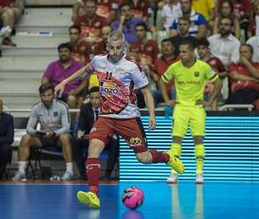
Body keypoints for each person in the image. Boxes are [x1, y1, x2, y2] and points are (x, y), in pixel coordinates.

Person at [55, 31, 184, 208]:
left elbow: (146, 91)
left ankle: (168, 157)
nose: (115, 52)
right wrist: (64, 82)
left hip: (129, 118)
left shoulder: (131, 66)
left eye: (118, 48)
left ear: (123, 47)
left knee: (144, 157)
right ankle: (93, 194)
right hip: (106, 117)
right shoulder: (99, 60)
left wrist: (152, 114)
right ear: (107, 47)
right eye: (111, 48)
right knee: (94, 148)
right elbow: (84, 71)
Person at [158, 39, 222, 184]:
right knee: (176, 140)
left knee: (198, 139)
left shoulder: (203, 67)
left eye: (184, 51)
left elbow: (218, 82)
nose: (181, 54)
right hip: (180, 108)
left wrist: (209, 101)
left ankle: (199, 173)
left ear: (193, 52)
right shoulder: (175, 67)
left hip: (196, 108)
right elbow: (162, 81)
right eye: (180, 51)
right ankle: (174, 172)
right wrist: (167, 99)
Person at [12, 83, 74, 181]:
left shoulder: (62, 106)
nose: (46, 98)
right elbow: (29, 128)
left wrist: (54, 133)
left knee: (65, 137)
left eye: (49, 95)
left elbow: (67, 127)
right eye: (43, 96)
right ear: (40, 95)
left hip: (58, 137)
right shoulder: (36, 108)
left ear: (53, 94)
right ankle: (21, 172)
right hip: (43, 137)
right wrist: (37, 133)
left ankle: (69, 171)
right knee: (25, 138)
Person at [74, 87, 119, 180]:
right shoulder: (85, 108)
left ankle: (107, 174)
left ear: (102, 97)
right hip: (89, 137)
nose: (94, 101)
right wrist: (79, 132)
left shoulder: (109, 108)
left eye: (97, 98)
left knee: (115, 142)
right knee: (75, 141)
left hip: (105, 138)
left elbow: (113, 127)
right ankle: (83, 173)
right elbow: (81, 125)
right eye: (92, 98)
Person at [42, 43, 87, 109]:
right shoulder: (53, 65)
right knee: (48, 98)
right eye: (61, 51)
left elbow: (85, 82)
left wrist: (76, 91)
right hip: (56, 94)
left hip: (72, 94)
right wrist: (51, 91)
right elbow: (45, 80)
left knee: (71, 99)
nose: (63, 53)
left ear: (71, 53)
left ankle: (71, 119)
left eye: (66, 51)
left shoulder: (78, 65)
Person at [196, 38, 228, 110]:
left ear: (208, 49)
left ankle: (214, 114)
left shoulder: (215, 60)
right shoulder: (195, 63)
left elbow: (225, 73)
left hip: (214, 88)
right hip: (200, 88)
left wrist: (218, 74)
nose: (201, 51)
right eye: (199, 49)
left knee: (213, 87)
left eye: (203, 48)